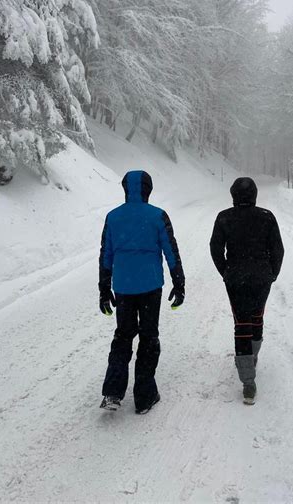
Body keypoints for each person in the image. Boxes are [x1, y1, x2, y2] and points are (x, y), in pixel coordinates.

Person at [99, 170, 185, 414]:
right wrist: (179, 283)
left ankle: (113, 392)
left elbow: (106, 255)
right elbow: (171, 252)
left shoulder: (113, 218)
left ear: (126, 189)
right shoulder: (158, 216)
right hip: (150, 287)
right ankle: (144, 396)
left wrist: (104, 288)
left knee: (123, 336)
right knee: (148, 337)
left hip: (124, 287)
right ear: (148, 189)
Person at [210, 177, 284, 404]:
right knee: (257, 316)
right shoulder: (267, 217)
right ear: (255, 195)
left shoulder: (224, 217)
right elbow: (278, 250)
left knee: (241, 323)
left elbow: (215, 248)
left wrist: (226, 271)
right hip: (262, 277)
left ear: (233, 195)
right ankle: (252, 357)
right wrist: (272, 274)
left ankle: (248, 383)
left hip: (235, 278)